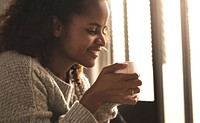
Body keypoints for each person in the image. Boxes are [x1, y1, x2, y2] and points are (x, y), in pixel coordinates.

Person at [0, 0, 142, 122]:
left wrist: (105, 102)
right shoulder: (17, 70)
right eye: (92, 30)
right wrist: (93, 99)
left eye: (103, 30)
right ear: (57, 26)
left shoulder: (78, 81)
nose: (103, 41)